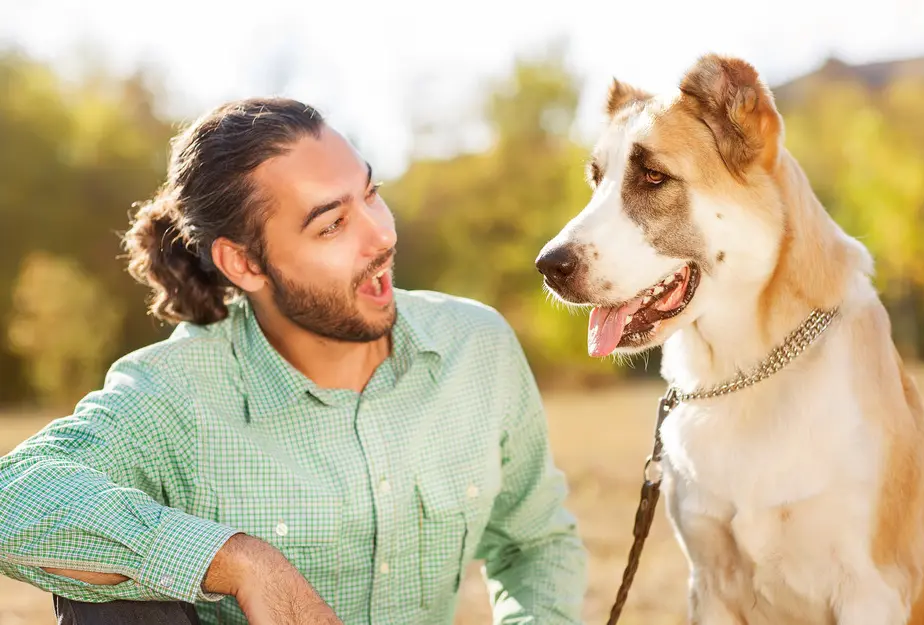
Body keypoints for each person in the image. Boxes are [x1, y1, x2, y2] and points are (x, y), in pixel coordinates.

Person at [0, 97, 588, 625]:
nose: (380, 236)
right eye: (331, 225)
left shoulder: (474, 346)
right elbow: (13, 498)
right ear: (244, 265)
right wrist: (239, 561)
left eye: (371, 194)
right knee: (98, 585)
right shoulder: (175, 393)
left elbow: (533, 542)